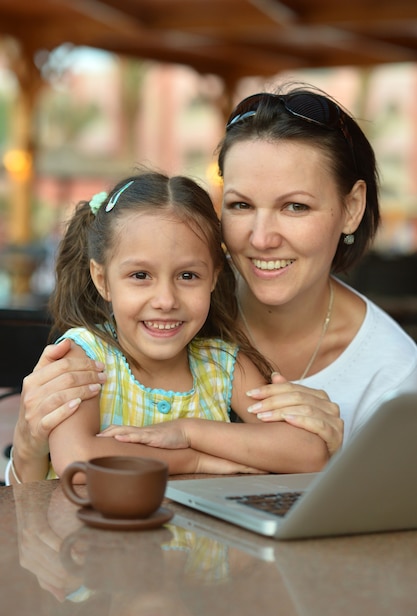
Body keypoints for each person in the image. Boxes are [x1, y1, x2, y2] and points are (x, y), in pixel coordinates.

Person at [15, 79, 416, 481]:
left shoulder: (392, 375)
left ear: (352, 207)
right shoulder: (118, 344)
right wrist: (27, 450)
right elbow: (64, 468)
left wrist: (187, 435)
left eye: (295, 206)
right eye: (241, 204)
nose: (261, 238)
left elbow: (327, 473)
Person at [12, 170, 328, 482]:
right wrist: (194, 459)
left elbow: (309, 451)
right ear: (102, 279)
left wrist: (187, 431)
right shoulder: (85, 357)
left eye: (187, 276)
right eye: (140, 276)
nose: (165, 300)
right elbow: (79, 460)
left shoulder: (222, 365)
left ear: (213, 279)